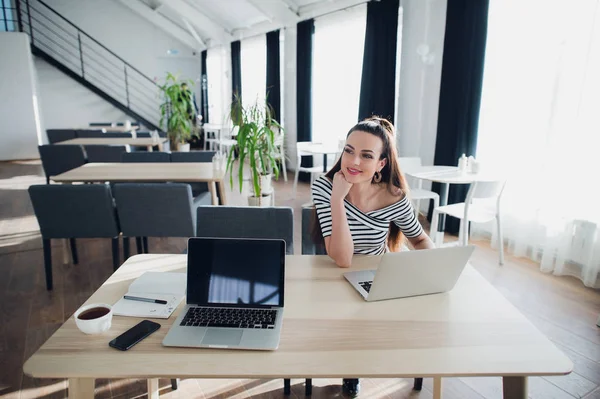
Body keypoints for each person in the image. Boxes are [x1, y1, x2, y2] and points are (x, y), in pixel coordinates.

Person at [311, 116, 435, 396]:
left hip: (377, 276)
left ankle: (360, 363)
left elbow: (418, 238)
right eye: (349, 150)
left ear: (381, 164)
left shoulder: (393, 196)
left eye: (366, 155)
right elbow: (342, 258)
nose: (353, 162)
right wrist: (337, 198)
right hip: (334, 276)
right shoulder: (325, 187)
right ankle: (350, 368)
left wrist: (437, 269)